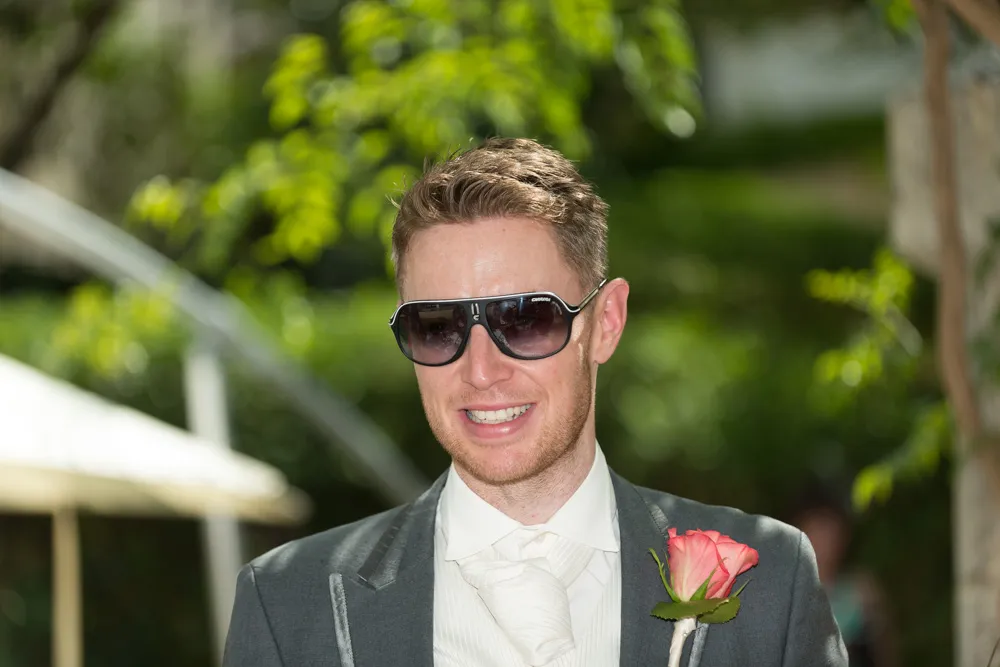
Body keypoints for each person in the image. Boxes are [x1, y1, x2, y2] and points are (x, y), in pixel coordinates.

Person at [222, 138, 848, 667]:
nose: (481, 370)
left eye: (524, 321)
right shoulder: (287, 606)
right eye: (437, 327)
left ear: (605, 322)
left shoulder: (772, 583)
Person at [791, 484, 897, 667]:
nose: (827, 541)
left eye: (833, 531)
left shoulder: (861, 590)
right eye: (819, 528)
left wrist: (876, 619)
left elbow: (886, 655)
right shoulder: (785, 594)